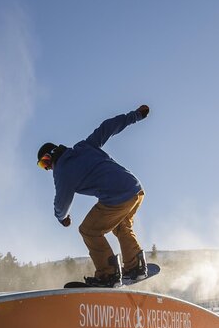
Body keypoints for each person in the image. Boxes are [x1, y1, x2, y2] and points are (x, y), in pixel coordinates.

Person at [38, 105, 150, 287]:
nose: (47, 168)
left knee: (89, 230)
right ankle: (135, 266)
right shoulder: (84, 146)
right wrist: (135, 115)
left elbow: (61, 202)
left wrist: (62, 218)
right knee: (120, 225)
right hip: (135, 189)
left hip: (117, 197)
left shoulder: (62, 171)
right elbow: (107, 127)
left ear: (50, 157)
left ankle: (109, 274)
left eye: (45, 163)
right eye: (43, 167)